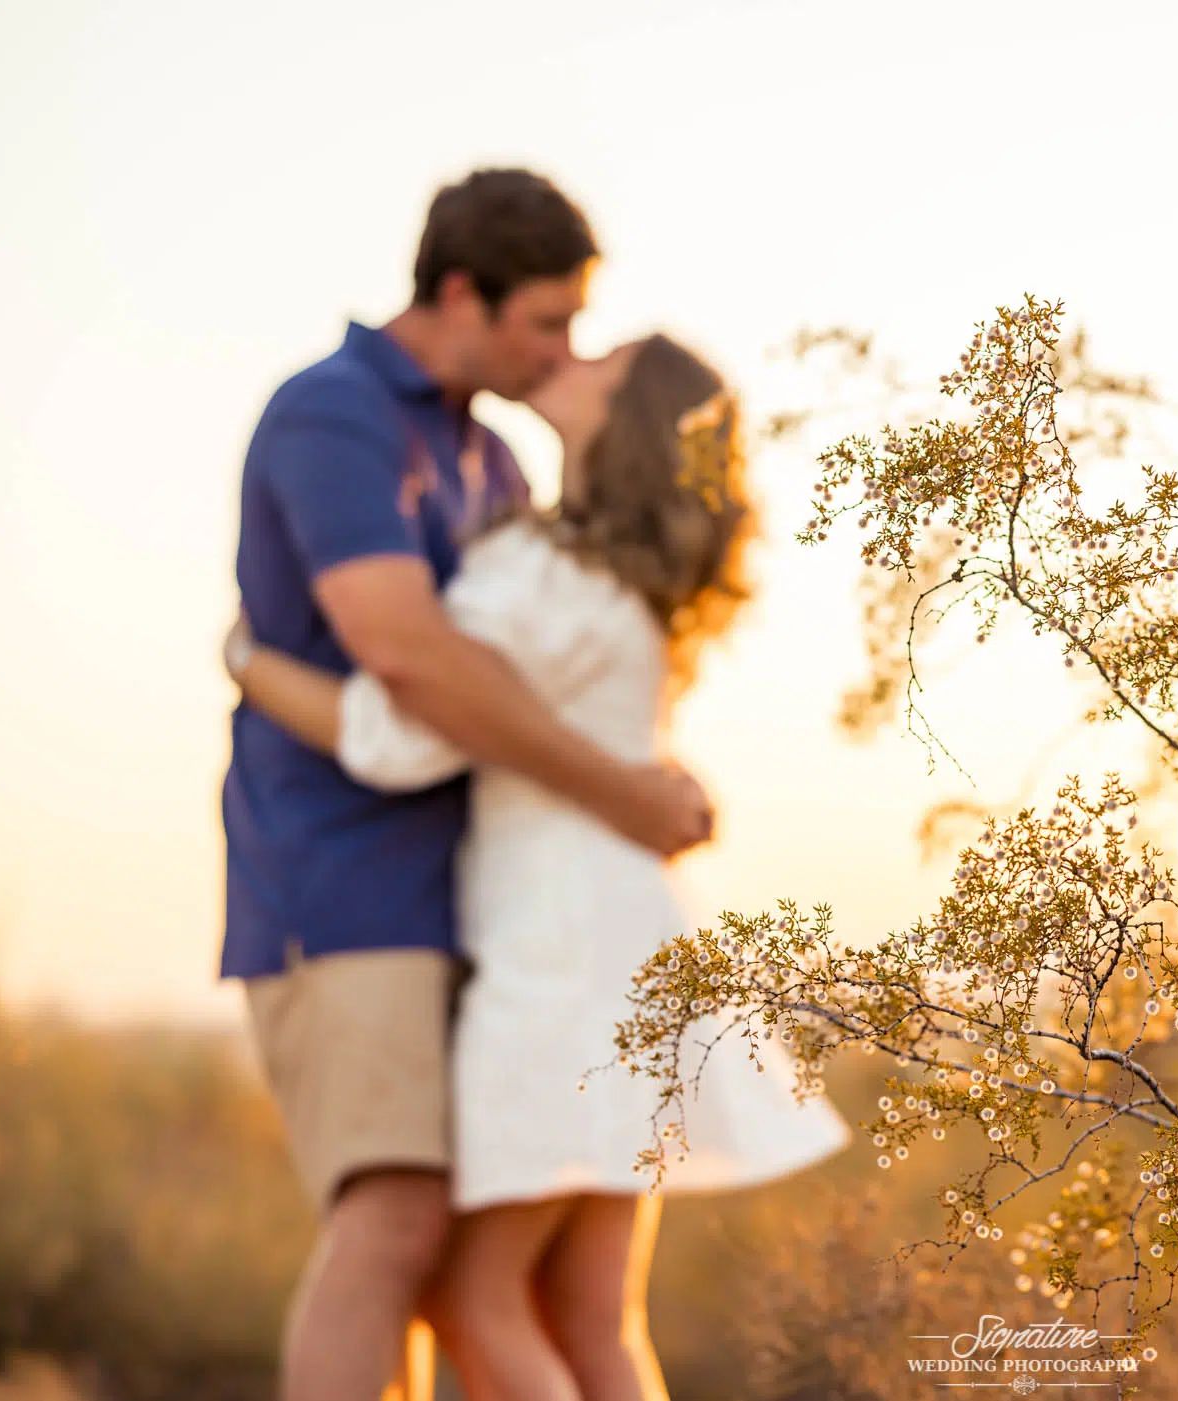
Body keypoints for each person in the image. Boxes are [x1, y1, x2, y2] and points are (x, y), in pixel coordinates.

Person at [226, 334, 852, 1400]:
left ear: (628, 422)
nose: (572, 357)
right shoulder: (629, 586)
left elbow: (398, 734)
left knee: (475, 1297)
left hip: (554, 956)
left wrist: (252, 665)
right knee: (593, 1315)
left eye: (602, 361)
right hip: (636, 945)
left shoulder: (540, 572)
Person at [221, 169, 716, 1401]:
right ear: (460, 293)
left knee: (508, 1282)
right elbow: (411, 661)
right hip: (345, 883)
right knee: (395, 1222)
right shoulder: (334, 415)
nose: (563, 352)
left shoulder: (488, 457)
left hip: (487, 907)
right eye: (546, 321)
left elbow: (525, 676)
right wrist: (621, 790)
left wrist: (624, 777)